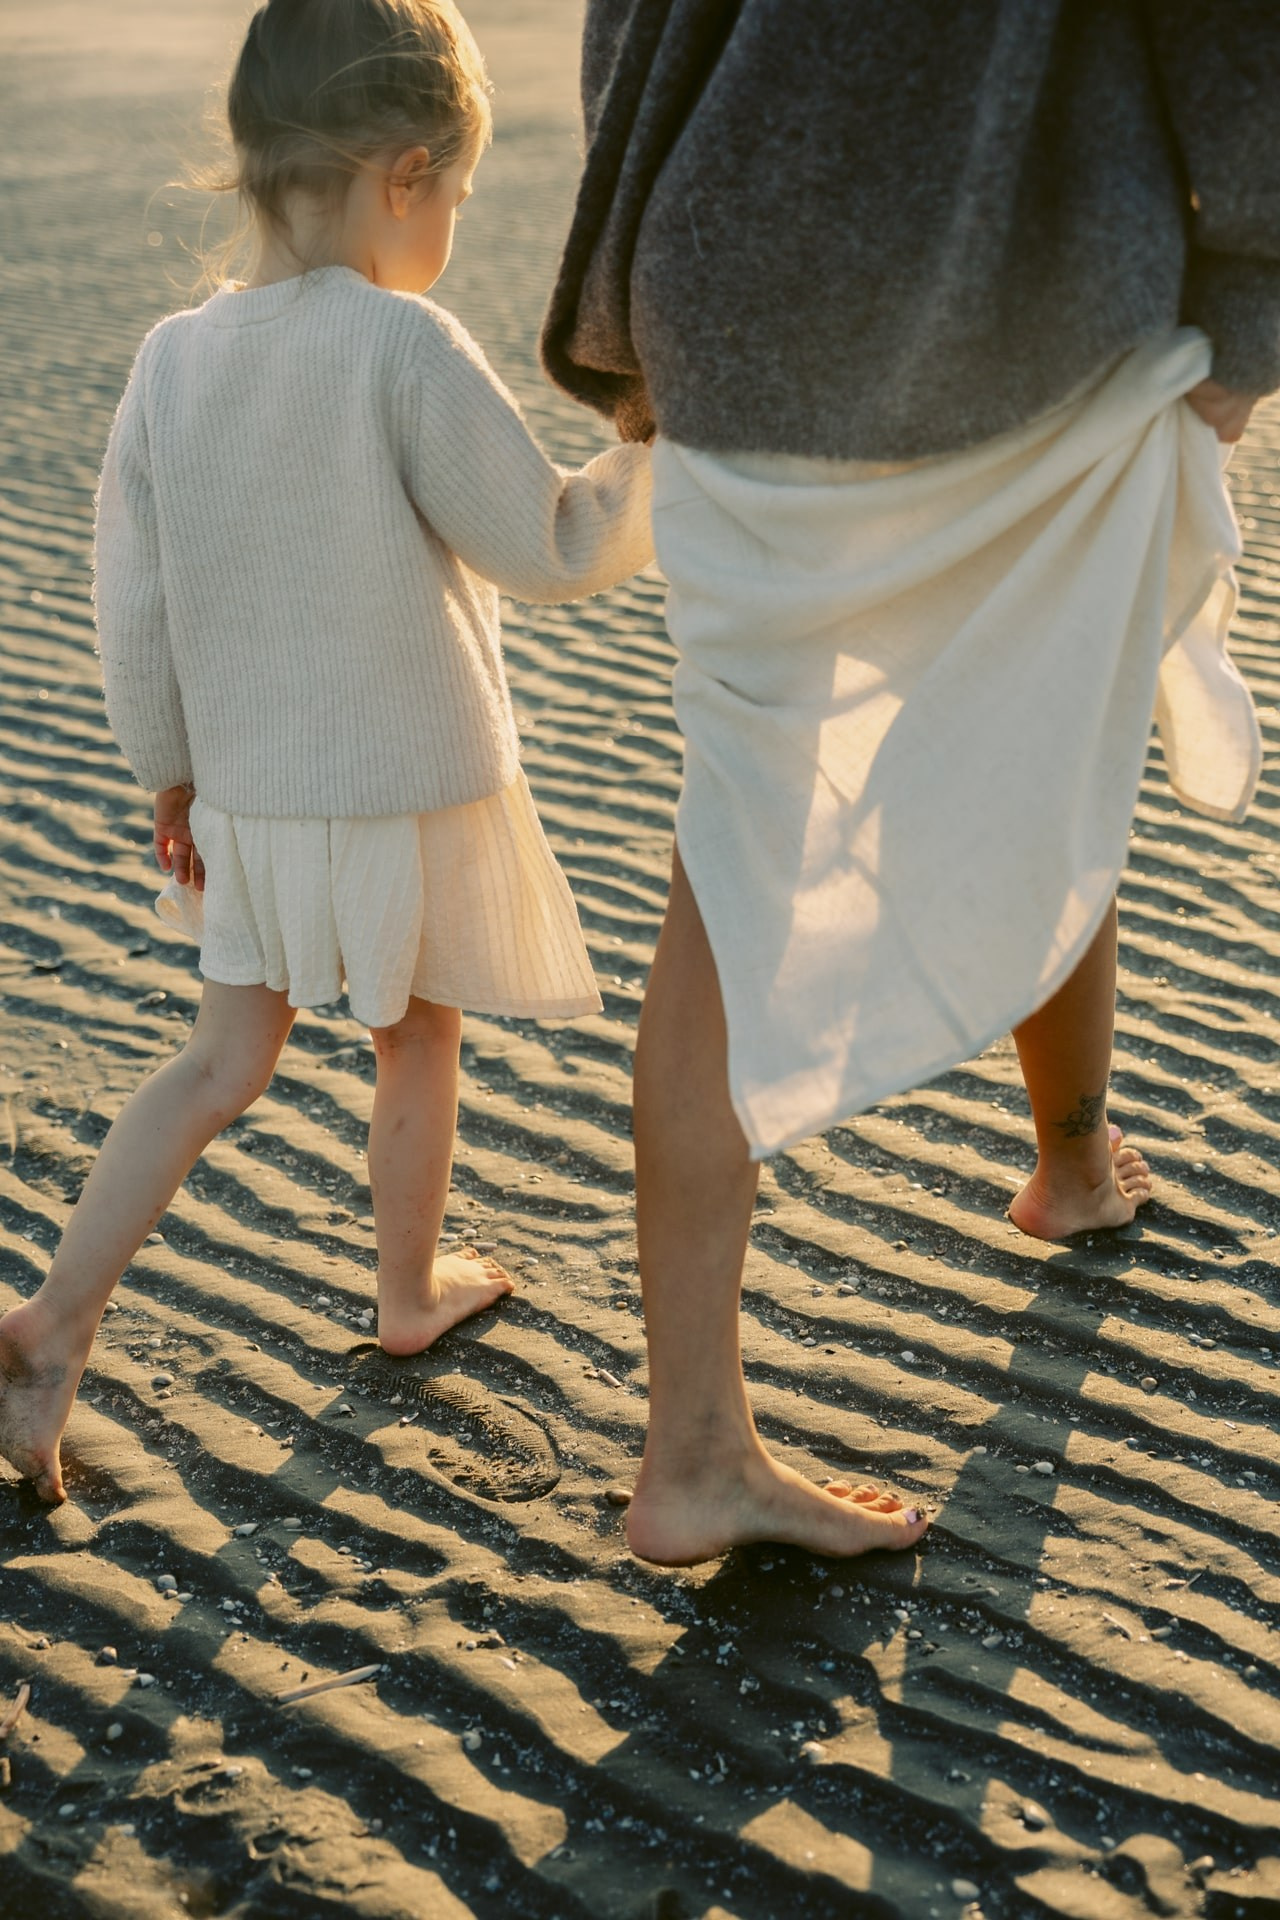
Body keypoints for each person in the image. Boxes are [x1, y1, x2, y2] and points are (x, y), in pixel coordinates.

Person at [543, 0, 1279, 1565]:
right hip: (1026, 313)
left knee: (726, 854)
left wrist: (623, 320)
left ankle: (690, 1455)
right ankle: (1073, 1166)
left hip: (733, 307)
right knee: (1050, 725)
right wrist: (1254, 297)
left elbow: (632, 28)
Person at [0, 0, 653, 1508]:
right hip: (399, 783)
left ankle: (50, 1325)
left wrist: (169, 775)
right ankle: (408, 1291)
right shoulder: (399, 341)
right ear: (404, 172)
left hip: (246, 790)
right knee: (416, 1036)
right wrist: (651, 458)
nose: (455, 232)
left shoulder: (172, 358)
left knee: (220, 1062)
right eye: (463, 201)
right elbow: (545, 543)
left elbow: (133, 597)